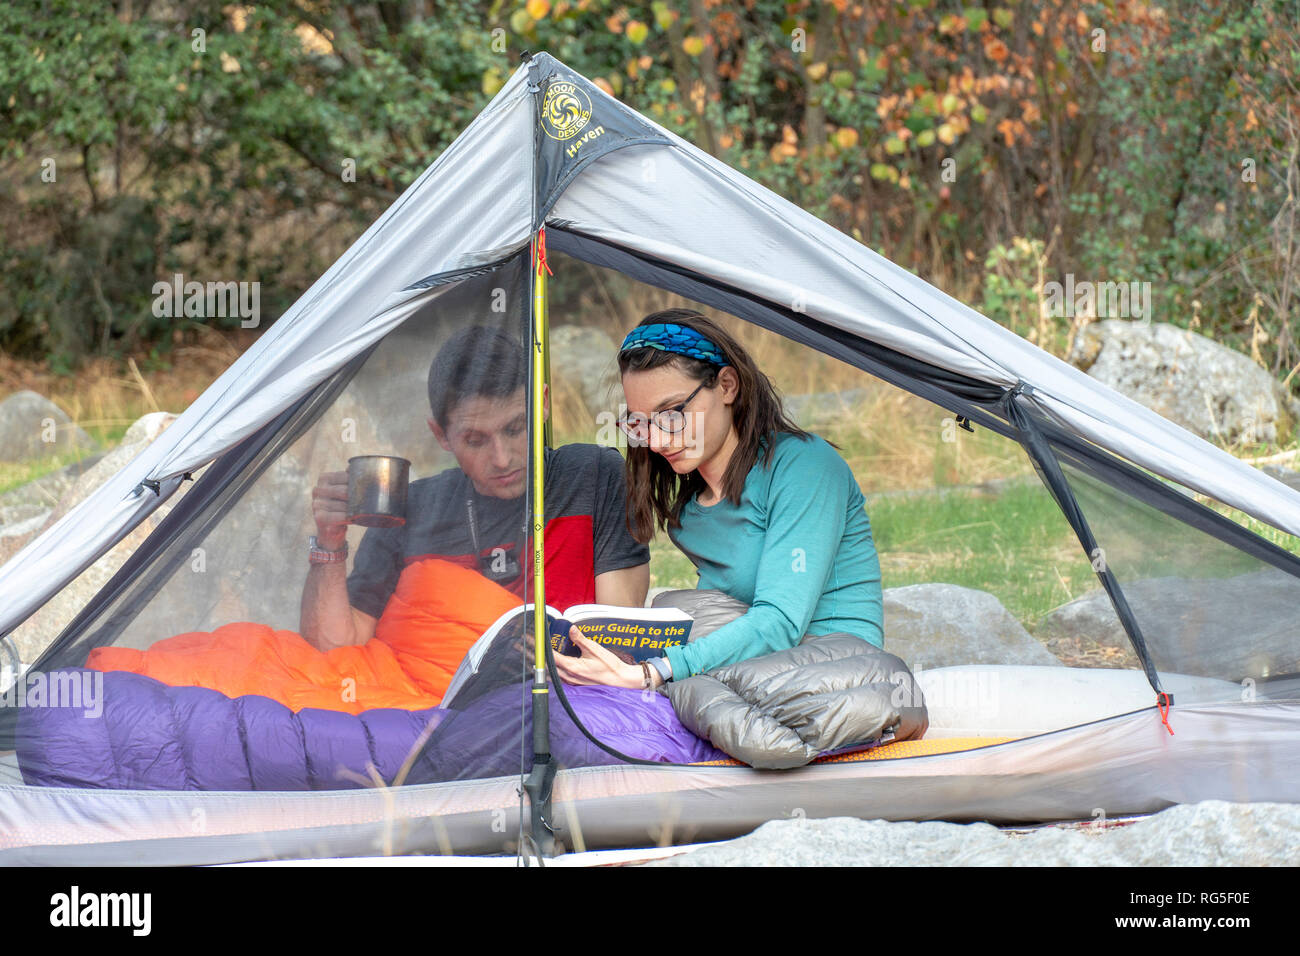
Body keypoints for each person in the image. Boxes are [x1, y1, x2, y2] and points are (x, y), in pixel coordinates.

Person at [553, 308, 883, 691]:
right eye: (640, 422)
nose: (656, 441)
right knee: (675, 626)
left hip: (843, 668)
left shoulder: (804, 466)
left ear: (727, 385)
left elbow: (780, 622)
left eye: (673, 413)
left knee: (685, 675)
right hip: (762, 671)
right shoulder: (691, 516)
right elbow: (726, 620)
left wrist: (653, 672)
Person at [300, 324, 650, 651]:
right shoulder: (410, 509)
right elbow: (334, 650)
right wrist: (329, 543)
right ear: (441, 435)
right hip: (432, 702)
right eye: (475, 440)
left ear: (542, 404)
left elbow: (618, 638)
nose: (501, 458)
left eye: (515, 429)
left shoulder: (593, 476)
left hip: (565, 693)